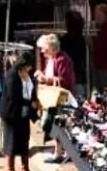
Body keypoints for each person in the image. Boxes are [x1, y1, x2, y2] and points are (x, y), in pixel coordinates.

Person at [37, 34, 75, 164]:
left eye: (44, 49)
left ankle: (59, 153)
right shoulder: (52, 59)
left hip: (61, 100)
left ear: (52, 48)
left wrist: (45, 79)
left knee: (56, 125)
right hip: (52, 100)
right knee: (53, 125)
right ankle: (59, 152)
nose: (42, 52)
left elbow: (66, 81)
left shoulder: (62, 60)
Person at [1, 51, 40, 171]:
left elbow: (32, 92)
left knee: (24, 141)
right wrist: (30, 103)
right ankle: (10, 168)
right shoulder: (12, 75)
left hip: (24, 114)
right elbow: (14, 96)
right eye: (29, 65)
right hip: (12, 114)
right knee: (11, 143)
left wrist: (35, 103)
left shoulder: (29, 75)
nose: (30, 68)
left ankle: (25, 167)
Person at [60, 12, 87, 100]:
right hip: (78, 77)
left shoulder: (64, 41)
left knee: (66, 104)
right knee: (78, 103)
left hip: (67, 78)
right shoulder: (82, 40)